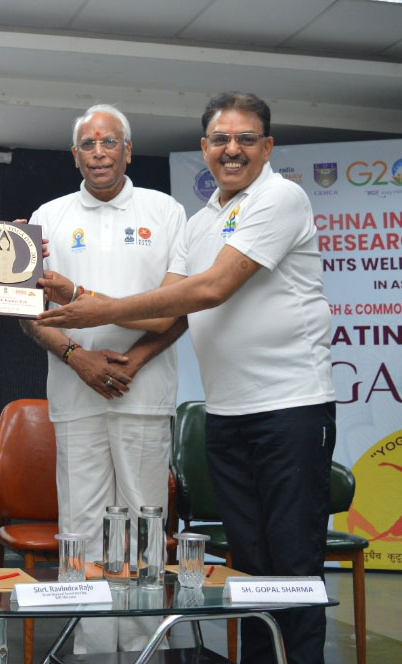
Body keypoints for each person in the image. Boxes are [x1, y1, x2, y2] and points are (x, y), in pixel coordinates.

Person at [38, 91, 335, 664]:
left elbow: (210, 289)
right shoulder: (203, 222)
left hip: (289, 407)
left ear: (267, 147)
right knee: (249, 564)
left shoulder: (278, 197)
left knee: (293, 561)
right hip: (226, 412)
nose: (232, 149)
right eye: (221, 139)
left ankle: (173, 649)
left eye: (245, 138)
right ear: (204, 148)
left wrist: (91, 304)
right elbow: (164, 310)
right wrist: (80, 328)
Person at [20, 104, 188, 654]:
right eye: (88, 145)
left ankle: (146, 647)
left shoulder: (165, 212)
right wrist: (78, 357)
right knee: (82, 525)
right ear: (75, 156)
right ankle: (91, 647)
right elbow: (27, 311)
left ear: (128, 151)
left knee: (144, 520)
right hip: (76, 395)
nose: (98, 153)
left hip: (145, 392)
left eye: (109, 142)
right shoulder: (48, 215)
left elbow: (180, 308)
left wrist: (133, 361)